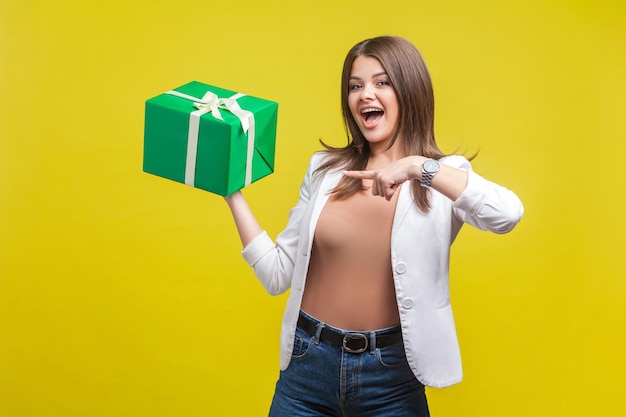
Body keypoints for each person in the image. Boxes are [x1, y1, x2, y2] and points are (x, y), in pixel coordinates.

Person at [224, 35, 523, 417]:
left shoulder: (444, 175)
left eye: (382, 82)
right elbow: (277, 275)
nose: (366, 94)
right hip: (306, 367)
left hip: (392, 377)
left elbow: (508, 214)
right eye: (355, 85)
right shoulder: (324, 169)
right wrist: (232, 193)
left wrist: (418, 167)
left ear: (409, 90)